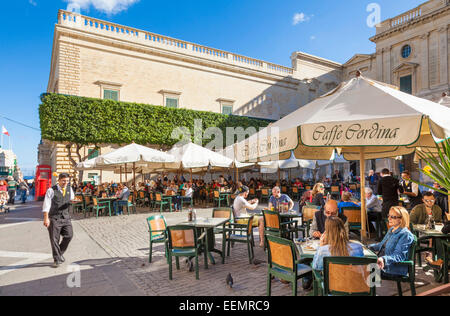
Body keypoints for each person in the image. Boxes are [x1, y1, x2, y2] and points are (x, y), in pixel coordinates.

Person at [369, 206, 415, 277]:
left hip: (392, 268)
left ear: (401, 219)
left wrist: (383, 259)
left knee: (361, 270)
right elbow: (381, 245)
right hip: (381, 263)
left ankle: (371, 287)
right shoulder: (392, 229)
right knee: (357, 265)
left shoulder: (405, 234)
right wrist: (365, 247)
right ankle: (369, 286)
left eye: (393, 217)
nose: (389, 218)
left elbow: (399, 256)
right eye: (389, 216)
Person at [42, 173, 75, 268]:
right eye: (64, 180)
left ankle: (59, 253)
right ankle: (56, 259)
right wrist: (46, 218)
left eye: (67, 181)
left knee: (69, 235)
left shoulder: (69, 189)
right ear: (59, 180)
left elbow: (71, 199)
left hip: (66, 217)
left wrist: (73, 201)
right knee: (54, 239)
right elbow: (46, 205)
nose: (66, 183)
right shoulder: (51, 190)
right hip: (54, 218)